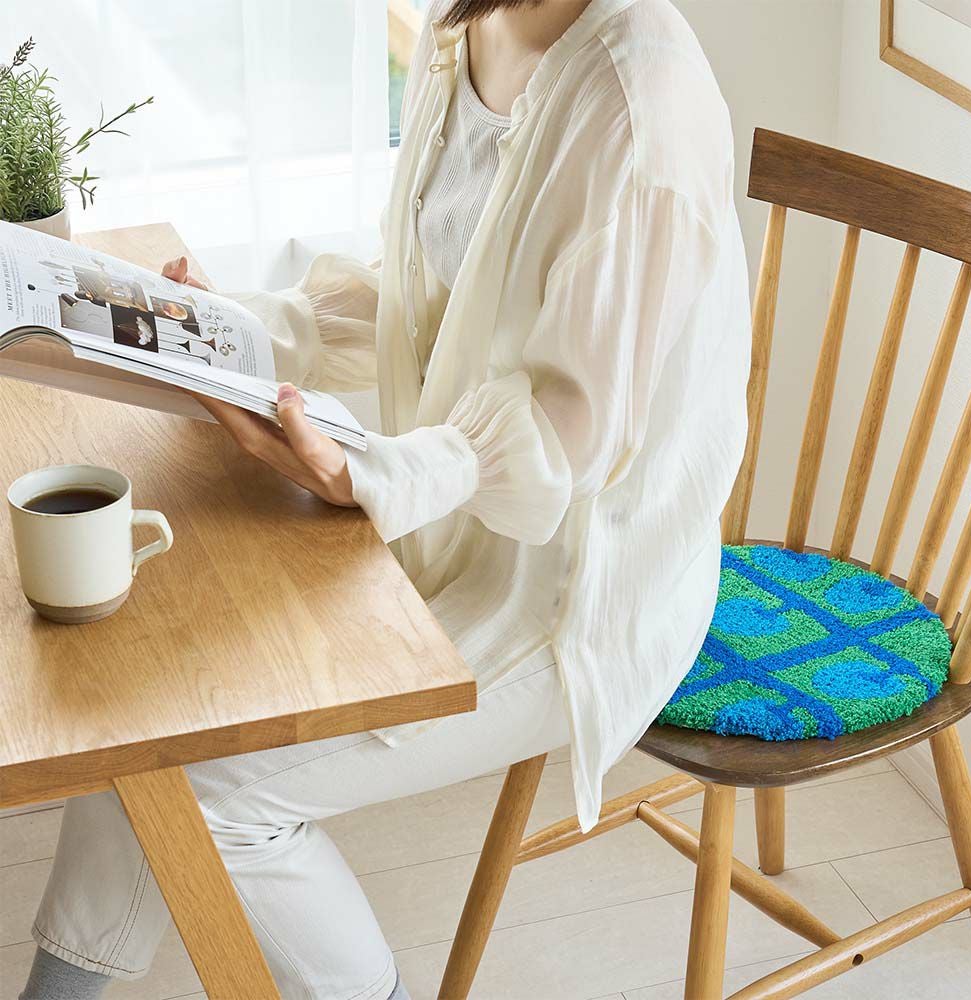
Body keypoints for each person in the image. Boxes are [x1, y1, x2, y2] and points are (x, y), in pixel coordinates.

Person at [21, 1, 750, 997]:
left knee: (209, 786)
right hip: (439, 525)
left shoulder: (642, 105)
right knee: (152, 714)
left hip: (571, 600)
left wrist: (370, 476)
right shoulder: (467, 24)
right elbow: (426, 289)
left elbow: (565, 435)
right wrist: (236, 332)